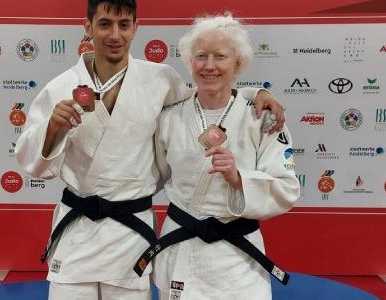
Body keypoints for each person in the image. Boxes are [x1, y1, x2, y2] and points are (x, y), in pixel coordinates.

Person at [15, 1, 286, 299]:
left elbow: (208, 99)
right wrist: (52, 129)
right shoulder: (60, 87)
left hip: (129, 235)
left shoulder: (160, 79)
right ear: (87, 26)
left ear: (136, 28)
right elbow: (34, 165)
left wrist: (254, 93)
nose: (115, 34)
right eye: (105, 24)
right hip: (77, 232)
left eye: (124, 24)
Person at [135, 14, 300, 300]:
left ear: (238, 63)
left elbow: (286, 187)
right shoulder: (170, 117)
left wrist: (240, 179)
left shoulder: (263, 118)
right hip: (184, 251)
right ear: (189, 62)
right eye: (201, 56)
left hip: (238, 258)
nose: (209, 66)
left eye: (220, 56)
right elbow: (149, 175)